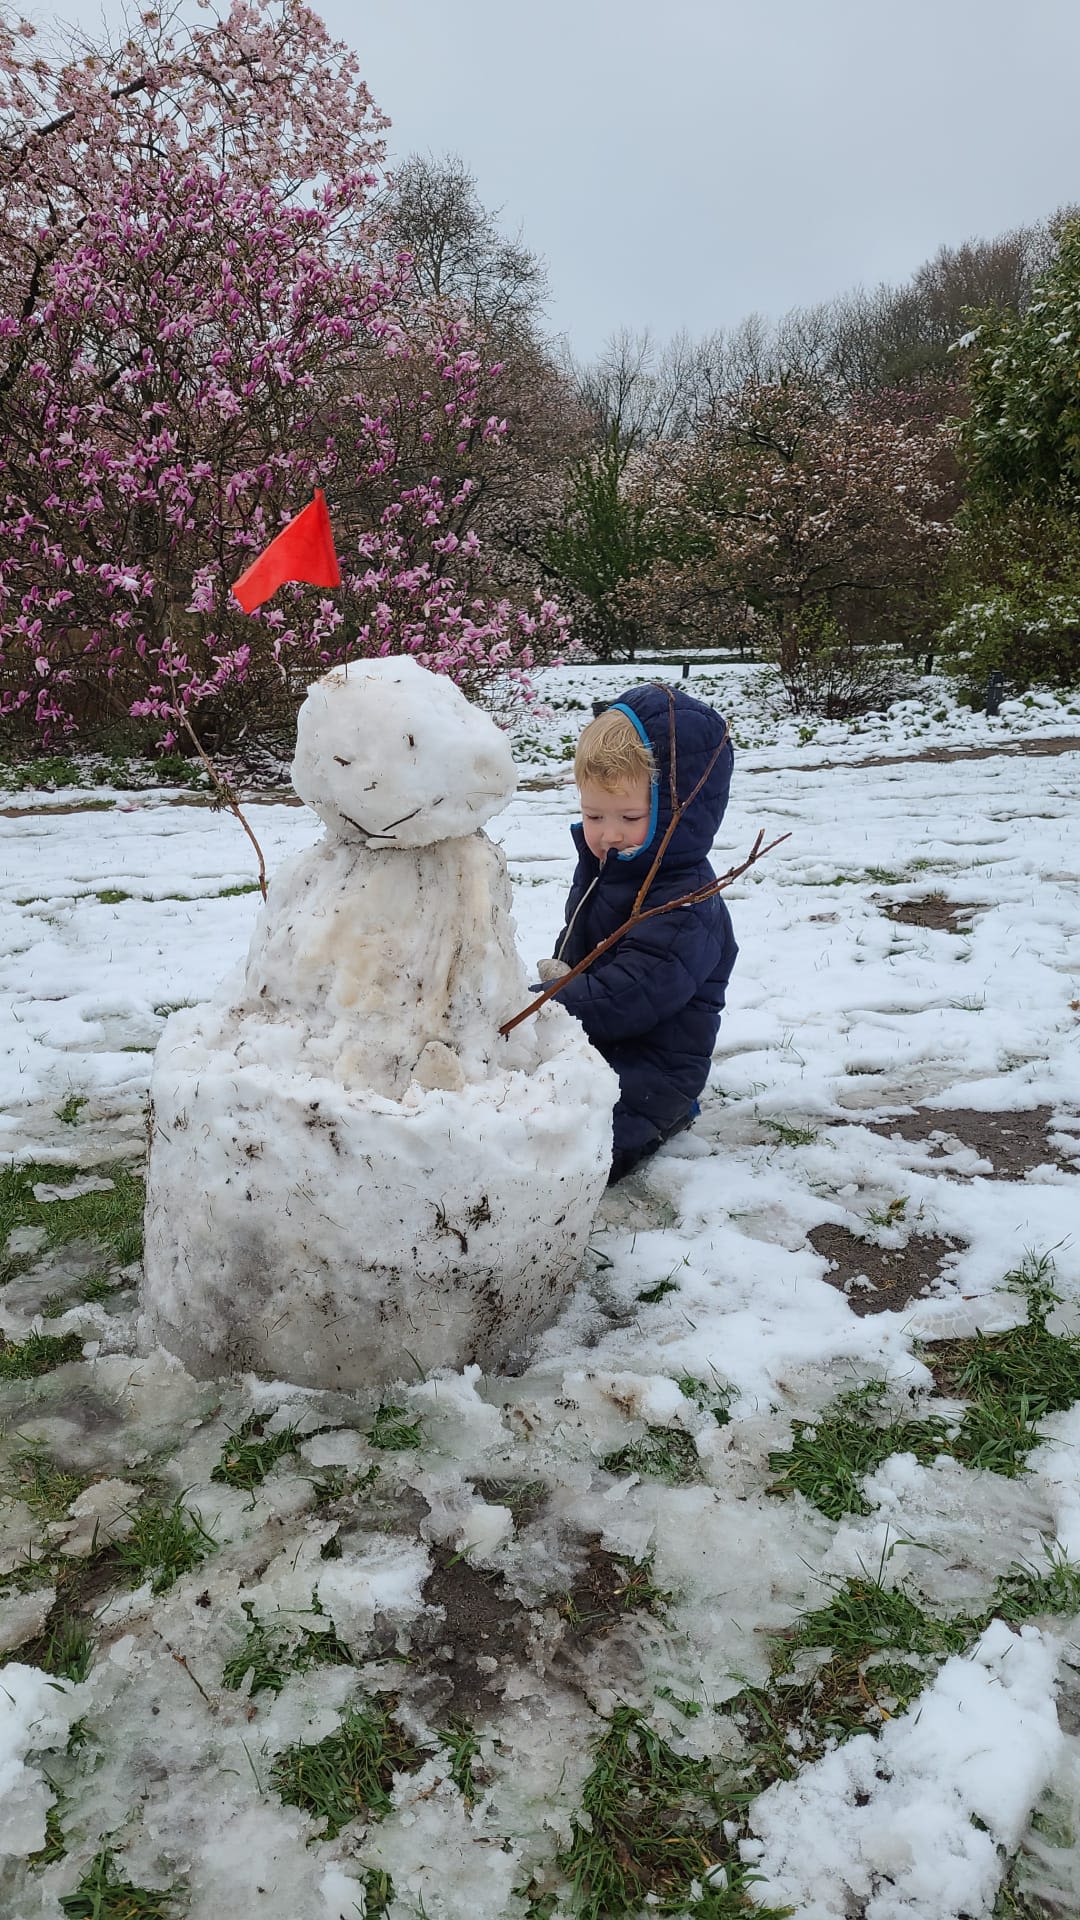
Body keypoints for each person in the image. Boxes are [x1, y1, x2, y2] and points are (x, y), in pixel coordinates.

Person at [538, 684, 738, 1184]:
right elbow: (580, 940)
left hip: (652, 1072)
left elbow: (628, 994)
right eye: (593, 815)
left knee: (564, 1159)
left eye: (629, 817)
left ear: (682, 812)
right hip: (597, 1044)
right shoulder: (614, 866)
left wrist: (542, 1005)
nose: (608, 833)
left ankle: (670, 1118)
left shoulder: (685, 903)